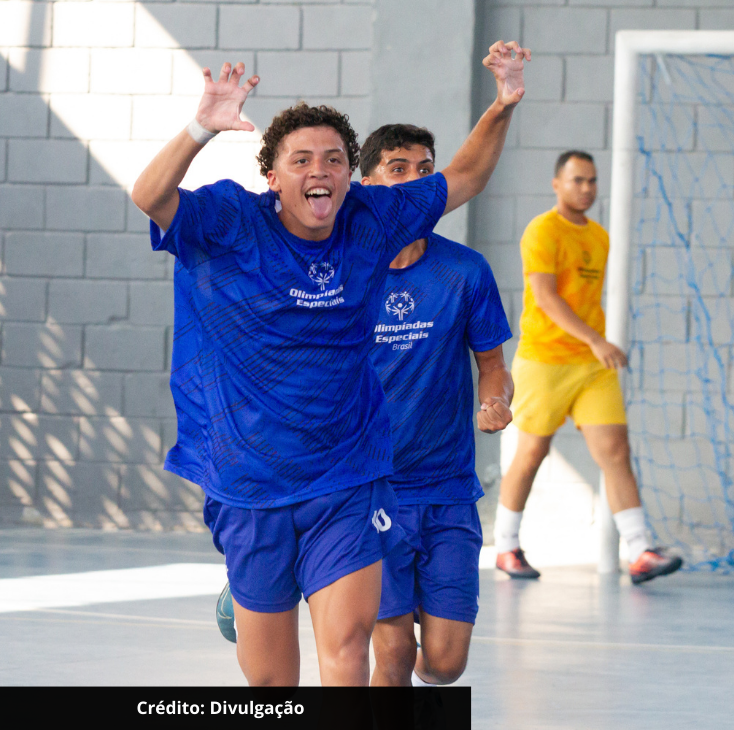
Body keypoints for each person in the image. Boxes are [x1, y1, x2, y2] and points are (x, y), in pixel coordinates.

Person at [134, 40, 528, 686]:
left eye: (334, 159)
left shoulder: (372, 217)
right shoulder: (231, 220)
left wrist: (503, 104)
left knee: (348, 654)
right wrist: (199, 127)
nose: (319, 170)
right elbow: (151, 196)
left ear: (349, 175)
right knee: (271, 683)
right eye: (301, 159)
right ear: (274, 176)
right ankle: (248, 584)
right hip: (249, 479)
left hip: (348, 477)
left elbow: (464, 177)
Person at [357, 124, 514, 688]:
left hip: (448, 492)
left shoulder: (465, 270)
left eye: (426, 169)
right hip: (372, 492)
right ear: (368, 182)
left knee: (444, 668)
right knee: (393, 653)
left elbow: (492, 365)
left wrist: (495, 401)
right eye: (398, 167)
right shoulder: (346, 272)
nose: (415, 179)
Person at [492, 150, 682, 585]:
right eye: (577, 180)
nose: (587, 188)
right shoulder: (542, 230)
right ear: (557, 184)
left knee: (616, 451)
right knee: (531, 453)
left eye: (592, 181)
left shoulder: (598, 236)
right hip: (545, 360)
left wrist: (594, 344)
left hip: (590, 366)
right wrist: (596, 338)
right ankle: (505, 545)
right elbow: (545, 297)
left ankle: (639, 550)